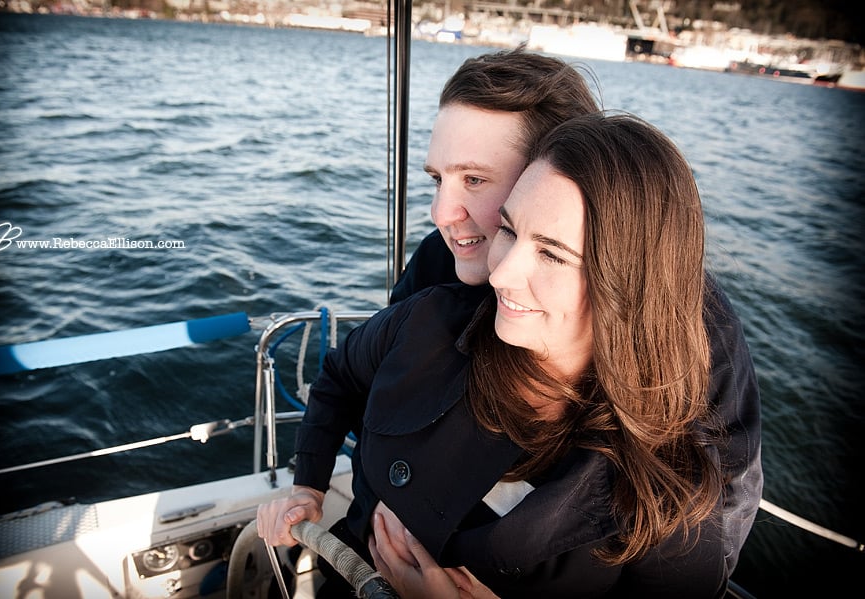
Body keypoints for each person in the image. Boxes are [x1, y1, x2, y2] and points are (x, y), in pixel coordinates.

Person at [260, 112, 735, 597]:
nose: (502, 273)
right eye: (509, 231)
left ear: (631, 286)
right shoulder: (428, 319)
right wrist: (308, 485)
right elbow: (340, 376)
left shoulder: (669, 494)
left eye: (551, 254)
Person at [389, 47, 761, 575]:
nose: (441, 214)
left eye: (475, 179)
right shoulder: (442, 256)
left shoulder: (687, 322)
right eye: (436, 178)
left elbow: (714, 508)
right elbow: (384, 379)